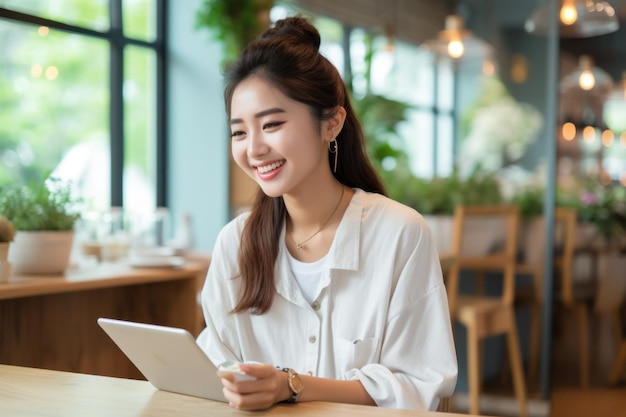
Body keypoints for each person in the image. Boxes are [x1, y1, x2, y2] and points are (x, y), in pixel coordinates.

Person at [196, 15, 457, 412]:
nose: (253, 149)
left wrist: (291, 386)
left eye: (272, 124)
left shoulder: (400, 233)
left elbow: (417, 386)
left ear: (331, 123)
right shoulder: (235, 243)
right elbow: (214, 364)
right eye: (239, 132)